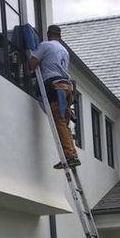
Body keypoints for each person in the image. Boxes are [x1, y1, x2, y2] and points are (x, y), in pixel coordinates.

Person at [28, 24, 80, 169]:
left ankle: (69, 156)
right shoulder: (64, 51)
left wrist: (31, 57)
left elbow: (32, 65)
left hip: (56, 88)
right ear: (60, 36)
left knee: (59, 121)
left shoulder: (45, 46)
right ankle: (73, 154)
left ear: (48, 34)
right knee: (64, 123)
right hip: (67, 88)